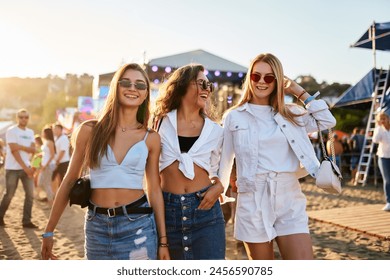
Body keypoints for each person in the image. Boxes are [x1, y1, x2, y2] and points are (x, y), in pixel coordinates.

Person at [41, 63, 169, 260]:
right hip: (97, 227)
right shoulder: (89, 130)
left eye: (140, 85)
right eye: (126, 82)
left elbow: (154, 189)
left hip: (138, 226)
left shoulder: (150, 137)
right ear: (116, 87)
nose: (132, 88)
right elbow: (68, 181)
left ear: (145, 94)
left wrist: (163, 241)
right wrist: (49, 231)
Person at [218, 53, 336, 260]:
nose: (262, 82)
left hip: (289, 196)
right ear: (249, 79)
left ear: (278, 81)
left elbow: (327, 120)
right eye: (256, 76)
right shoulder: (234, 116)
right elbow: (224, 159)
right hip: (252, 198)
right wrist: (220, 188)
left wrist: (297, 90)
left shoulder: (292, 113)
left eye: (270, 77)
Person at [153, 63, 226, 260]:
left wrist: (220, 186)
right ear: (183, 84)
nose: (206, 89)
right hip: (167, 212)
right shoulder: (158, 123)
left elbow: (223, 167)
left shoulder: (216, 130)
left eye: (209, 85)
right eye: (201, 83)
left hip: (206, 212)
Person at [0, 109, 38, 228]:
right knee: (9, 194)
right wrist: (25, 166)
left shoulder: (31, 132)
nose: (23, 119)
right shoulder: (12, 131)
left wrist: (32, 167)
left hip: (27, 166)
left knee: (30, 195)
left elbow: (33, 150)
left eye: (26, 117)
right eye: (21, 117)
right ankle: (0, 217)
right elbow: (13, 150)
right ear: (17, 118)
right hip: (12, 168)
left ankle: (26, 221)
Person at [372, 111, 390, 211]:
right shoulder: (378, 129)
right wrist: (378, 127)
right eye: (381, 119)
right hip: (383, 157)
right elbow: (375, 140)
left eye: (384, 118)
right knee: (387, 180)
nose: (383, 120)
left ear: (388, 118)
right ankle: (389, 202)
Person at [38, 126, 56, 206]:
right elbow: (46, 154)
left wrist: (45, 165)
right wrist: (40, 155)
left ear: (46, 133)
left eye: (43, 132)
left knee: (46, 184)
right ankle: (52, 197)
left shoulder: (50, 142)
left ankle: (51, 203)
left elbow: (52, 155)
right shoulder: (46, 142)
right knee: (40, 183)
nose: (42, 133)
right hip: (44, 165)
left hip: (48, 165)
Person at [51, 123, 70, 193]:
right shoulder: (56, 138)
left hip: (63, 162)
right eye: (54, 129)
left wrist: (57, 161)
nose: (54, 130)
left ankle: (63, 196)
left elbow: (63, 151)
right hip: (57, 162)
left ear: (60, 129)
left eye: (56, 129)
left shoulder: (64, 138)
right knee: (53, 178)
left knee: (62, 180)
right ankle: (54, 195)